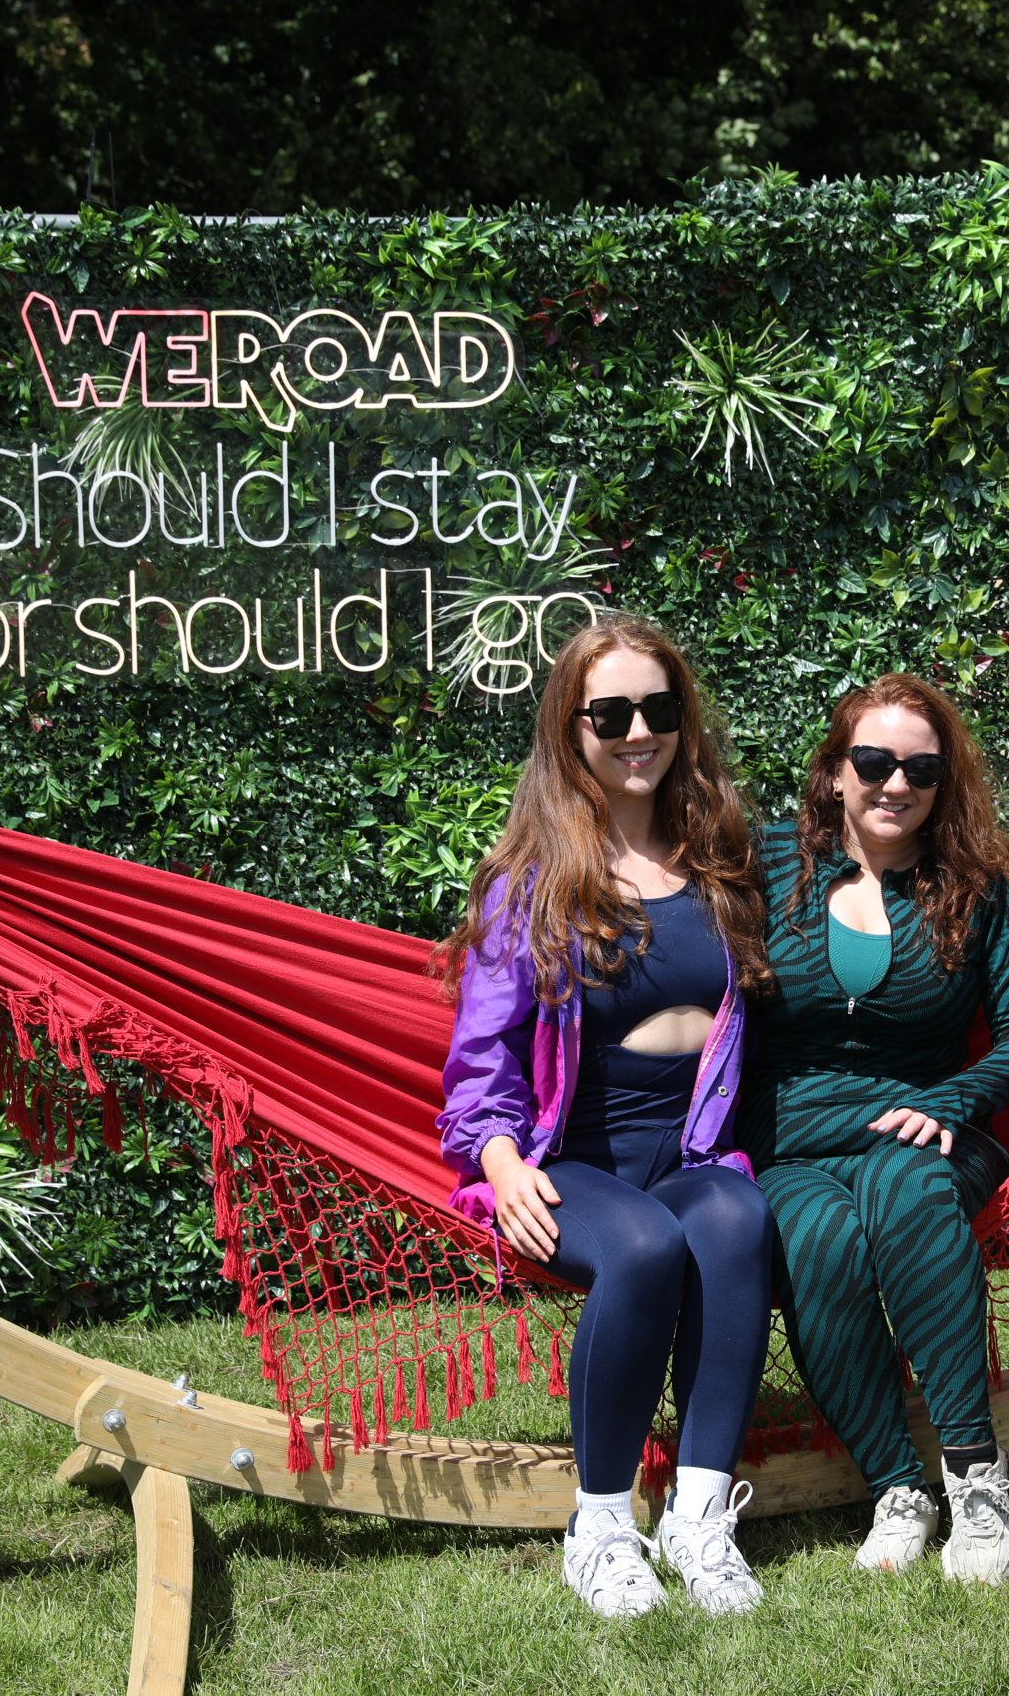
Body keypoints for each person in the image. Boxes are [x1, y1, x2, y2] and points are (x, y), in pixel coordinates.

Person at [439, 616, 777, 1618]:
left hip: (689, 1148)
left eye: (658, 709)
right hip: (571, 1160)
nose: (639, 732)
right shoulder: (531, 884)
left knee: (735, 1218)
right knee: (640, 1245)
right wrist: (500, 1161)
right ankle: (599, 1527)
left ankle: (700, 1519)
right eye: (612, 713)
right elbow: (483, 1056)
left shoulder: (720, 862)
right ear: (571, 728)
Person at [738, 673, 1009, 1582]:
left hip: (926, 1130)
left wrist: (953, 1099)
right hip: (794, 1142)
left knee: (906, 1185)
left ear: (943, 782)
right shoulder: (769, 865)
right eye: (874, 761)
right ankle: (894, 1486)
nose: (896, 783)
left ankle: (976, 1480)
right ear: (836, 771)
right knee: (815, 1235)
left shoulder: (975, 889)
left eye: (920, 768)